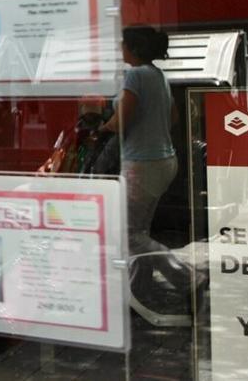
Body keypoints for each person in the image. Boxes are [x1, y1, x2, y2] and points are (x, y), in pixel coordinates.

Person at [100, 25, 195, 305]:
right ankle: (139, 289)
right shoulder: (157, 75)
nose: (120, 50)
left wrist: (100, 127)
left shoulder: (135, 75)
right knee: (138, 232)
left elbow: (121, 121)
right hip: (163, 160)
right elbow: (173, 117)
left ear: (134, 48)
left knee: (127, 233)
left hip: (142, 163)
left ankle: (187, 278)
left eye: (123, 45)